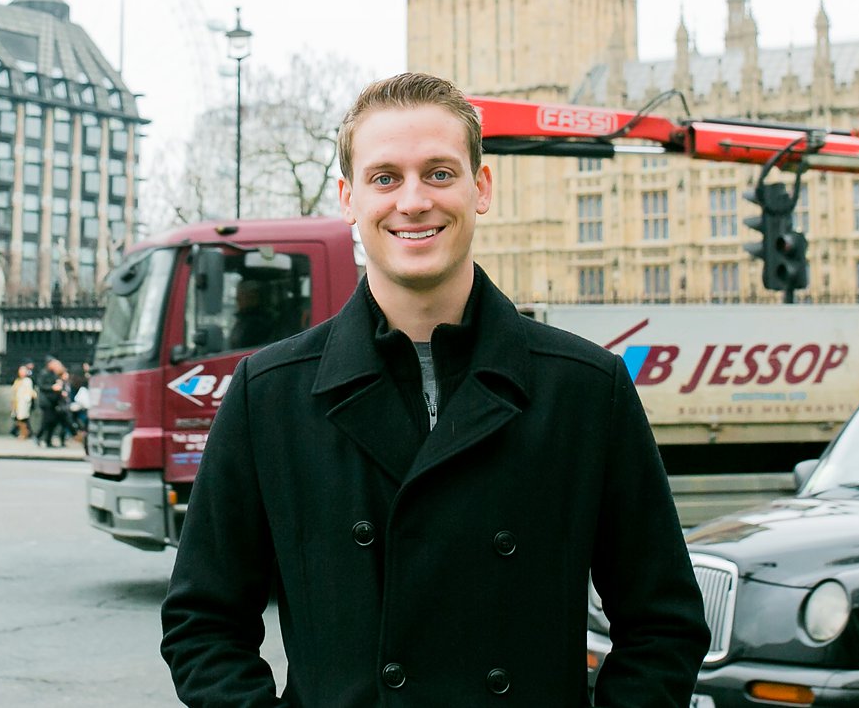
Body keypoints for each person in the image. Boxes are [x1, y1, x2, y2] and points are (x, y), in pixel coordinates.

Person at [162, 73, 706, 706]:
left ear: (481, 188)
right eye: (385, 177)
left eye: (440, 173)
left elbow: (663, 623)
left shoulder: (585, 388)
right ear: (348, 198)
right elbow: (203, 624)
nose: (413, 201)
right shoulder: (271, 394)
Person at [10, 363, 36, 440]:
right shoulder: (18, 381)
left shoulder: (27, 381)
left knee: (22, 419)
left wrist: (26, 402)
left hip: (23, 403)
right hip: (17, 402)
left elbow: (29, 392)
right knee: (19, 419)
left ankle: (24, 433)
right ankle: (26, 432)